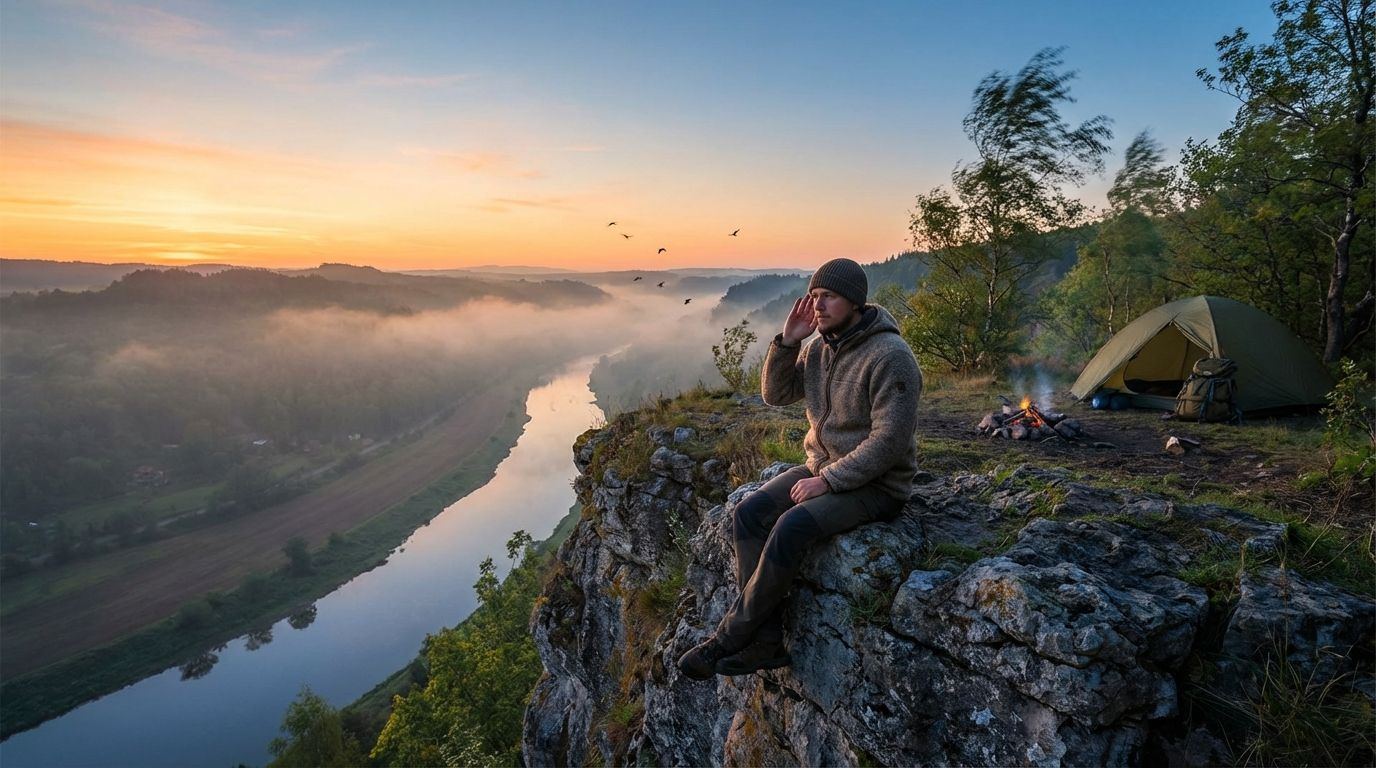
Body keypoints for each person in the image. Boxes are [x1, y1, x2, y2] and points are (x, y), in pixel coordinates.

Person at [677, 257, 922, 680]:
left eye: (828, 297)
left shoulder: (890, 356)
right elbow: (775, 395)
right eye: (813, 296)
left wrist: (827, 481)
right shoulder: (819, 349)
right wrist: (788, 343)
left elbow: (889, 441)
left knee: (791, 527)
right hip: (823, 467)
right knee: (748, 514)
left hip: (877, 486)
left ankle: (730, 637)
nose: (818, 305)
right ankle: (768, 643)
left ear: (855, 301)